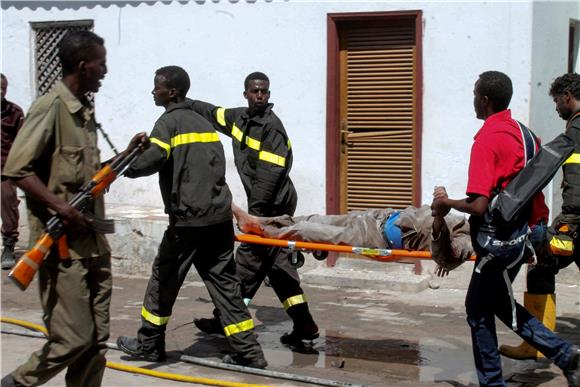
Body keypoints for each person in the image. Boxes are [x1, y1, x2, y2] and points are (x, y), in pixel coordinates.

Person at [0, 31, 147, 387]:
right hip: (63, 250)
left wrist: (125, 154)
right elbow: (17, 169)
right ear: (83, 65)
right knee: (72, 339)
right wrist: (61, 209)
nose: (105, 71)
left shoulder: (84, 112)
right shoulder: (50, 108)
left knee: (95, 344)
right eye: (101, 63)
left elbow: (89, 178)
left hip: (94, 246)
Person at [431, 70, 579, 387]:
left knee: (477, 309)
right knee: (497, 303)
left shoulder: (486, 141)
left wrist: (447, 203)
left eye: (474, 95)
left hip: (500, 242)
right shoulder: (527, 136)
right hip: (530, 233)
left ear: (484, 100)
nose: (473, 100)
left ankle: (496, 381)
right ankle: (565, 356)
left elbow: (480, 206)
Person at [116, 66, 267, 369]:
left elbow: (153, 160)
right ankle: (249, 353)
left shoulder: (168, 122)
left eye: (157, 86)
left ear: (171, 92)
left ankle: (149, 344)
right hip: (217, 219)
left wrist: (123, 164)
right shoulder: (204, 123)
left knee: (164, 279)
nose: (153, 91)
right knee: (226, 285)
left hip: (188, 222)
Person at [190, 72, 319, 346]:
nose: (259, 95)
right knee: (278, 267)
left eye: (264, 91)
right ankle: (304, 324)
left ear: (269, 95)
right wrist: (182, 101)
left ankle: (226, 318)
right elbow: (211, 112)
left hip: (274, 205)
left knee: (248, 261)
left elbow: (269, 177)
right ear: (245, 94)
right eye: (254, 91)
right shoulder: (239, 119)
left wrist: (253, 218)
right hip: (262, 205)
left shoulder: (272, 128)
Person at [500, 73, 580, 361]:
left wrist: (569, 222)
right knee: (543, 265)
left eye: (557, 101)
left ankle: (538, 346)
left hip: (575, 221)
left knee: (542, 262)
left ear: (567, 97)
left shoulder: (576, 131)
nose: (557, 108)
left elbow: (577, 182)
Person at [232, 202, 473, 275]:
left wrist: (439, 219)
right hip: (378, 218)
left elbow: (447, 258)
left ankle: (261, 230)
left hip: (377, 240)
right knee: (314, 217)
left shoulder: (467, 239)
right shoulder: (465, 221)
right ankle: (259, 222)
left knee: (309, 230)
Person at [1, 73, 24, 270]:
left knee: (8, 203)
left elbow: (22, 142)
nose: (0, 91)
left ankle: (8, 246)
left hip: (5, 169)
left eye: (3, 88)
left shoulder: (15, 113)